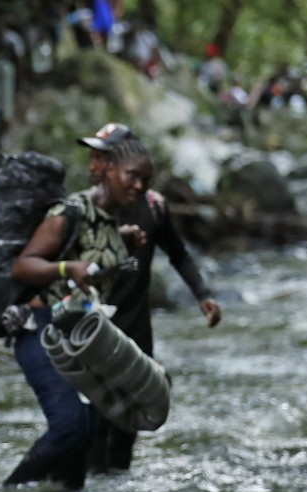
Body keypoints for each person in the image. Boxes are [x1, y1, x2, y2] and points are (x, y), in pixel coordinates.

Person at [5, 137, 153, 491]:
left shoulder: (113, 222)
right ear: (109, 171)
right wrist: (66, 268)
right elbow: (22, 266)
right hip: (41, 329)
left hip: (80, 341)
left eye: (145, 181)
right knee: (70, 425)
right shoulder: (69, 212)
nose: (139, 186)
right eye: (132, 176)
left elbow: (97, 267)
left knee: (84, 437)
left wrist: (124, 244)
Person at [78, 123, 222, 473]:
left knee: (128, 420)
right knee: (93, 422)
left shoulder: (154, 207)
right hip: (93, 331)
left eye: (101, 156)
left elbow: (178, 253)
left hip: (137, 328)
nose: (92, 164)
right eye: (94, 157)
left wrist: (202, 294)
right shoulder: (84, 208)